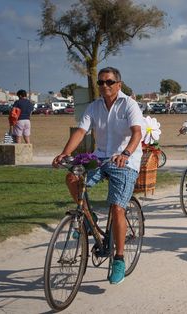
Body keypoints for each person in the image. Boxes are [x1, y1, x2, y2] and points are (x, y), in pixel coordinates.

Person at [52, 67, 143, 285]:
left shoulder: (129, 104)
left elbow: (137, 132)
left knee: (117, 207)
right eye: (101, 82)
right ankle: (87, 219)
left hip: (125, 160)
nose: (104, 86)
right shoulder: (94, 106)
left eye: (109, 82)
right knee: (73, 177)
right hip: (100, 157)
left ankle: (119, 258)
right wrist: (65, 153)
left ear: (118, 84)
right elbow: (81, 131)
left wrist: (126, 153)